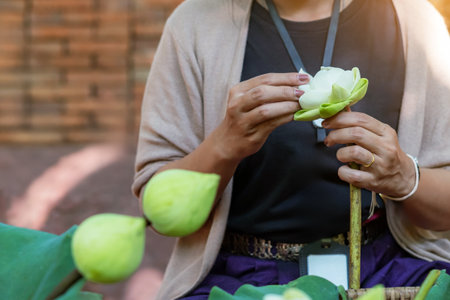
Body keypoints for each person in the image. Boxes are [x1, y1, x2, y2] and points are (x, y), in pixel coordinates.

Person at [132, 0, 450, 299]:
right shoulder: (194, 24)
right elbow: (158, 213)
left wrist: (407, 178)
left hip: (388, 269)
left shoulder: (412, 20)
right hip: (239, 274)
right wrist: (224, 145)